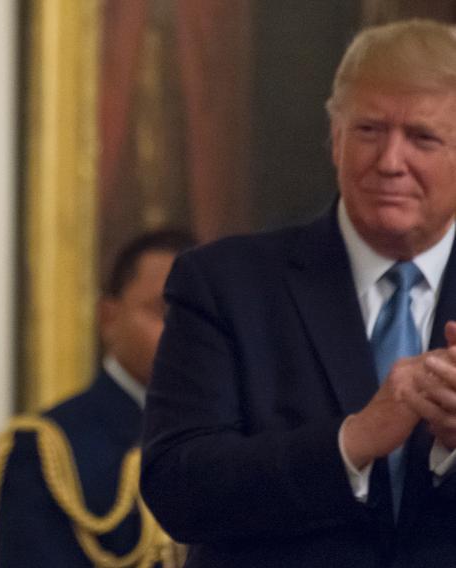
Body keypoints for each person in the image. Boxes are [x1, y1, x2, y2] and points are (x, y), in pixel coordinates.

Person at [141, 19, 456, 568]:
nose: (389, 162)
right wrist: (352, 441)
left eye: (422, 138)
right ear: (334, 138)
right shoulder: (225, 285)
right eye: (369, 130)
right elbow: (178, 488)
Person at [0, 230, 195, 567]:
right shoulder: (47, 449)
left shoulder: (231, 436)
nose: (185, 334)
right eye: (164, 313)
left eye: (199, 318)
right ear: (109, 317)